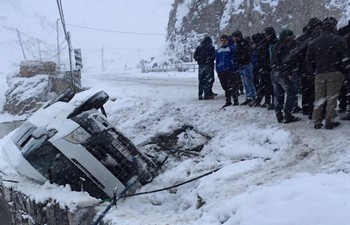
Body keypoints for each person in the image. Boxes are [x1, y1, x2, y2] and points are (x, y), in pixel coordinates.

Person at [306, 17, 350, 129]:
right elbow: (344, 57)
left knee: (319, 97)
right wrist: (345, 70)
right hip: (335, 72)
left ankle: (317, 121)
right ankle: (329, 121)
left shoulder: (314, 41)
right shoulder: (338, 39)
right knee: (332, 98)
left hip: (319, 73)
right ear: (333, 27)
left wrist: (312, 72)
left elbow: (308, 59)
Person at [286, 17, 322, 119]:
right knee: (314, 90)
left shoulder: (301, 39)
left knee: (306, 88)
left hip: (303, 68)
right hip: (314, 67)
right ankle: (313, 111)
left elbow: (295, 55)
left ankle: (307, 108)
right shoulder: (317, 37)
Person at [270, 29, 301, 123]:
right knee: (291, 93)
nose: (292, 37)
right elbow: (287, 61)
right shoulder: (286, 46)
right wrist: (288, 73)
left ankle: (279, 115)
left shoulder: (276, 46)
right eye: (290, 35)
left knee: (278, 95)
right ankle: (288, 115)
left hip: (275, 72)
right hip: (283, 73)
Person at [251, 27, 277, 109]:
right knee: (265, 85)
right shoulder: (264, 44)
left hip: (271, 67)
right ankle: (266, 101)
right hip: (265, 67)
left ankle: (272, 102)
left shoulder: (273, 43)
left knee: (271, 86)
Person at [232, 30, 257, 105]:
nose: (234, 38)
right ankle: (249, 97)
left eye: (235, 37)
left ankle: (252, 97)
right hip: (242, 64)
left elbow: (245, 54)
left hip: (246, 64)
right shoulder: (240, 44)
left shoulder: (243, 44)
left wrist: (240, 59)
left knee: (248, 81)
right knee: (246, 82)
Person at [215, 34, 239, 107]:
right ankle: (228, 100)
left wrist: (233, 68)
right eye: (222, 40)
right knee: (225, 86)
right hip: (221, 70)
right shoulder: (219, 50)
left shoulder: (231, 49)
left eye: (224, 40)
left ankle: (235, 100)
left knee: (232, 85)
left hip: (229, 70)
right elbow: (217, 60)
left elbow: (234, 59)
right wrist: (218, 69)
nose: (223, 42)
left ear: (227, 41)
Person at [194, 36, 216, 100]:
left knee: (201, 81)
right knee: (208, 80)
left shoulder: (199, 47)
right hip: (209, 66)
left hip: (201, 66)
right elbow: (214, 56)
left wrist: (200, 61)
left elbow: (195, 56)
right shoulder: (211, 47)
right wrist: (209, 60)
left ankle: (200, 95)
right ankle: (207, 94)